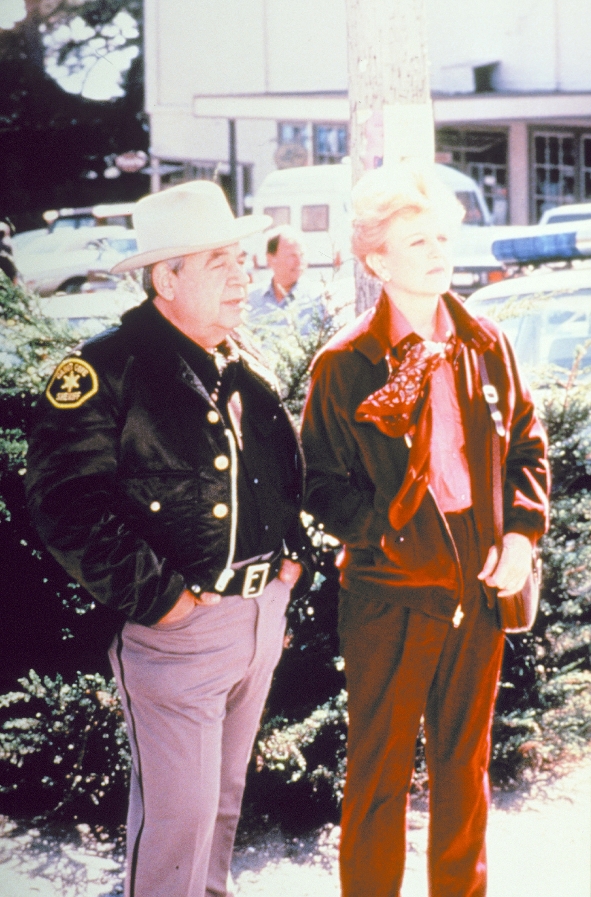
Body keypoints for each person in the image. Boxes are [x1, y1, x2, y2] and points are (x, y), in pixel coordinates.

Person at [25, 180, 310, 897]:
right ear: (167, 278)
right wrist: (162, 600)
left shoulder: (240, 360)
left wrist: (290, 562)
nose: (241, 274)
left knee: (220, 807)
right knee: (178, 823)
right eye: (219, 261)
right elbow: (64, 504)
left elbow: (280, 474)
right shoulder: (103, 370)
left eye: (240, 257)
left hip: (255, 617)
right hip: (177, 631)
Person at [300, 161, 550, 897]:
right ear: (376, 261)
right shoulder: (345, 364)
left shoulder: (485, 342)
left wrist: (520, 537)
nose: (439, 252)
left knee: (464, 767)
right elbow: (319, 483)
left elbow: (527, 446)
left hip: (479, 578)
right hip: (389, 589)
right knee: (377, 772)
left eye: (442, 236)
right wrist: (388, 534)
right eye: (417, 242)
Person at [247, 225, 308, 319]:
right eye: (292, 256)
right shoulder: (251, 299)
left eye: (302, 255)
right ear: (271, 259)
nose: (299, 262)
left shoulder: (319, 299)